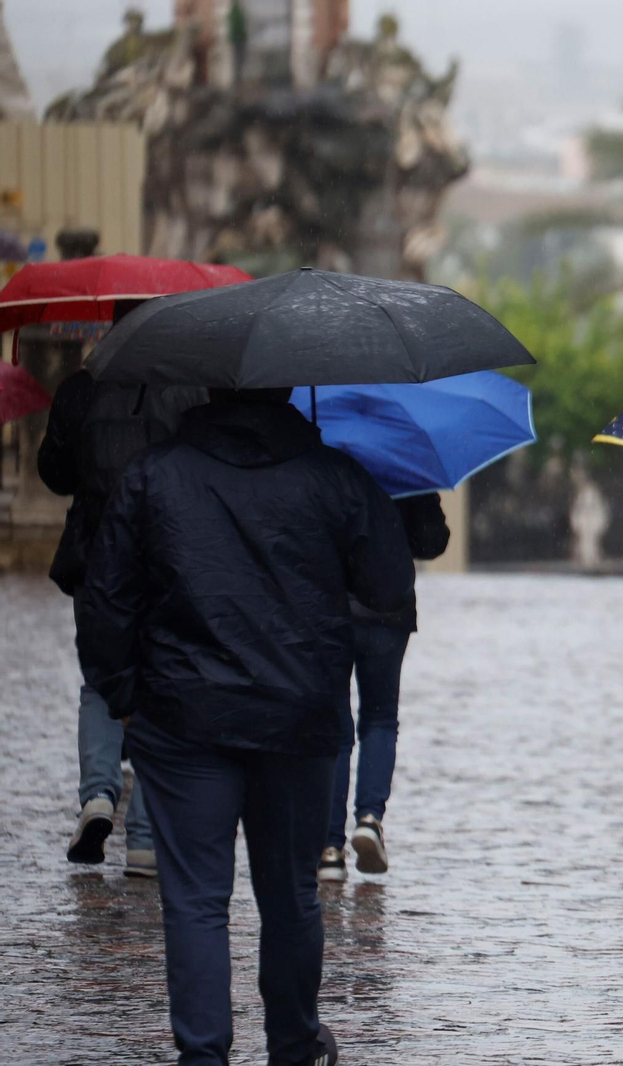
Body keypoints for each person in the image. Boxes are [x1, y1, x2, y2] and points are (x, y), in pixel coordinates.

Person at [77, 386, 415, 1066]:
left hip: (182, 716)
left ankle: (204, 1056)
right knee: (291, 893)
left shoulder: (153, 473)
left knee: (196, 900)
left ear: (206, 391)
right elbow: (389, 590)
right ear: (287, 391)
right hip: (298, 714)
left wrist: (123, 695)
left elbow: (105, 599)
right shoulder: (337, 478)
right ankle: (293, 1043)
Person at [36, 305, 207, 878]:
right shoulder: (188, 392)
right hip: (164, 556)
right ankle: (144, 839)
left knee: (99, 678)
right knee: (160, 682)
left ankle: (98, 796)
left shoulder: (80, 391)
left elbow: (54, 472)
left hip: (94, 554)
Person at [318, 492, 450, 883]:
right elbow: (432, 541)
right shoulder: (406, 464)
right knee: (379, 717)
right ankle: (370, 818)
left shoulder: (327, 452)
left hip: (332, 605)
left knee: (336, 728)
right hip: (388, 605)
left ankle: (328, 848)